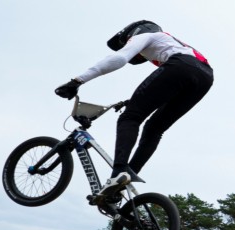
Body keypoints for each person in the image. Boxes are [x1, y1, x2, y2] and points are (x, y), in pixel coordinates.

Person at [54, 20, 214, 199]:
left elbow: (119, 58)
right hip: (206, 77)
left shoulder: (146, 36)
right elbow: (168, 87)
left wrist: (77, 81)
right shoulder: (176, 45)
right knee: (155, 128)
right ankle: (127, 178)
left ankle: (120, 171)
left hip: (180, 67)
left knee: (130, 118)